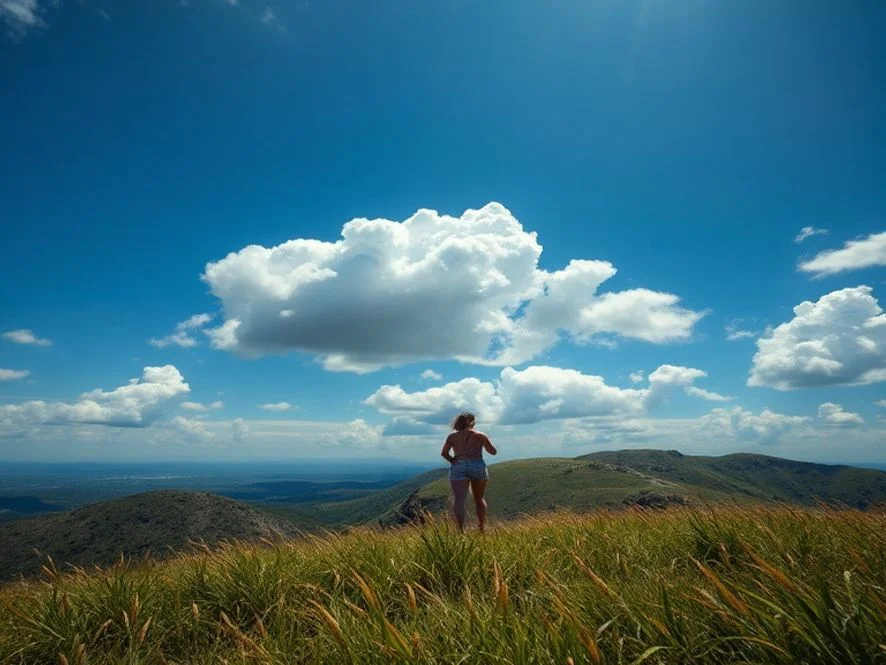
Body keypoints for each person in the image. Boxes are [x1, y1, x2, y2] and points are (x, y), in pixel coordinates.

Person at [440, 411, 497, 532]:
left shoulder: (452, 437)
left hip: (458, 465)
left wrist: (453, 461)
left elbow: (444, 453)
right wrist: (485, 441)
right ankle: (481, 527)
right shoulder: (480, 435)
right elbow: (493, 452)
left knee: (459, 500)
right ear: (471, 422)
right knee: (479, 499)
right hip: (477, 464)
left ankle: (460, 531)